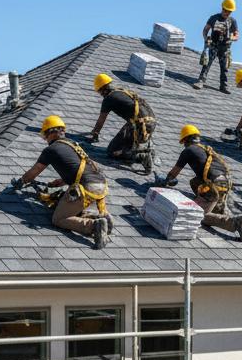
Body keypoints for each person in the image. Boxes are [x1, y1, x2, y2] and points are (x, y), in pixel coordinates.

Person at [12, 115, 112, 249]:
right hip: (100, 185)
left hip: (86, 188)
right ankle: (102, 216)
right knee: (70, 207)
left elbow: (35, 171)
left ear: (50, 132)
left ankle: (94, 226)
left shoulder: (51, 150)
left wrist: (21, 182)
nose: (45, 139)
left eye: (45, 136)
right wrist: (62, 181)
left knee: (58, 219)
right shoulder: (72, 144)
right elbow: (80, 168)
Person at [160, 124, 242, 240]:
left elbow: (173, 174)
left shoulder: (189, 150)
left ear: (186, 139)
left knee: (197, 215)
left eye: (184, 142)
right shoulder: (205, 149)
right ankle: (215, 206)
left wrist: (163, 183)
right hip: (225, 184)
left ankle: (235, 222)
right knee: (195, 181)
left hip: (213, 186)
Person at [85, 73, 155, 173]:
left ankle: (141, 155)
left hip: (138, 125)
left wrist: (95, 134)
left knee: (112, 152)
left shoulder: (108, 99)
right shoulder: (122, 91)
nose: (101, 95)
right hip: (149, 122)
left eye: (100, 92)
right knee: (126, 142)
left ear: (103, 90)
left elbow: (101, 120)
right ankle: (144, 146)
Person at [194, 0, 239, 92]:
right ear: (222, 8)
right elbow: (205, 30)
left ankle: (223, 86)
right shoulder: (214, 18)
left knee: (224, 67)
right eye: (225, 10)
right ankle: (201, 81)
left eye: (229, 11)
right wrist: (206, 39)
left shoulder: (232, 21)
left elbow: (236, 35)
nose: (227, 13)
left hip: (225, 47)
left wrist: (232, 38)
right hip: (214, 45)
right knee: (207, 64)